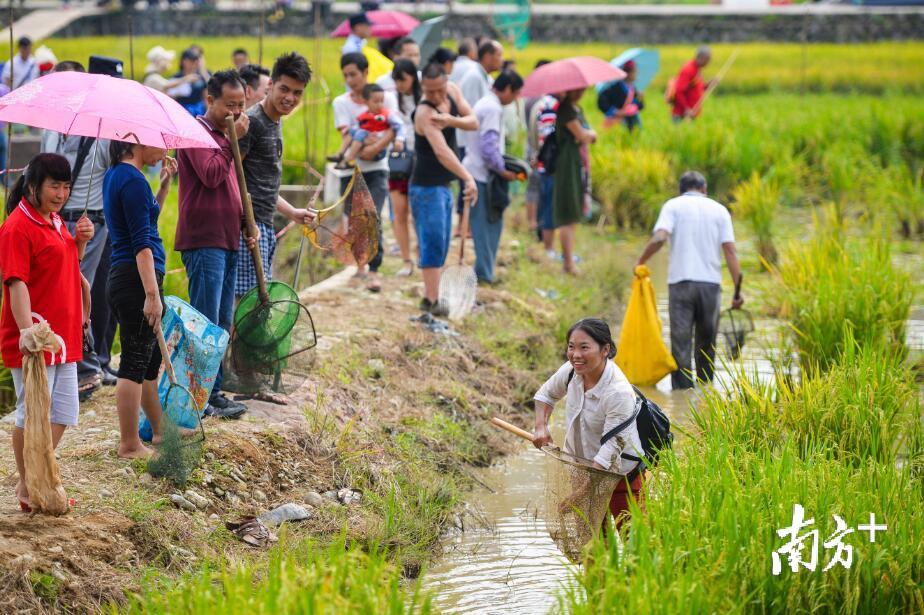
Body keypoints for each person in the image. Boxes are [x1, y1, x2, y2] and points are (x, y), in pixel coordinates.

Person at [0, 153, 93, 512]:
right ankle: (29, 486)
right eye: (55, 185)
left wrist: (80, 242)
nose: (62, 193)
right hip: (36, 336)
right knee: (32, 412)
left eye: (66, 186)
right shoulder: (16, 227)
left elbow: (65, 266)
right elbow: (16, 282)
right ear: (34, 186)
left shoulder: (54, 221)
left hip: (62, 335)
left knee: (63, 412)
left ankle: (34, 477)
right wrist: (27, 333)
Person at [176, 70, 255, 419]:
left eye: (241, 106)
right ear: (210, 101)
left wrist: (245, 224)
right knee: (204, 321)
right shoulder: (196, 133)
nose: (236, 113)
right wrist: (230, 140)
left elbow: (233, 186)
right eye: (229, 105)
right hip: (204, 239)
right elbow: (210, 175)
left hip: (228, 237)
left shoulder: (224, 135)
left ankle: (214, 391)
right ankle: (196, 397)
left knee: (222, 321)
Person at [40, 61, 113, 400]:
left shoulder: (95, 129)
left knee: (81, 288)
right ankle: (73, 362)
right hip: (62, 219)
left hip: (86, 221)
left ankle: (83, 363)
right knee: (66, 289)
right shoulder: (56, 127)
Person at [532, 318, 646, 532]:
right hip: (583, 470)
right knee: (592, 550)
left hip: (622, 478)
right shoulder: (571, 371)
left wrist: (578, 496)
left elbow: (609, 452)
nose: (576, 355)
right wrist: (541, 427)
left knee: (635, 548)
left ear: (605, 349)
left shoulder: (618, 392)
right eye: (571, 347)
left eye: (584, 347)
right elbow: (545, 395)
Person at [103, 139, 177, 459]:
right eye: (160, 143)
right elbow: (141, 244)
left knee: (149, 360)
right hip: (135, 278)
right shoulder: (132, 180)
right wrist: (152, 294)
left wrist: (161, 189)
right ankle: (129, 444)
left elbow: (144, 222)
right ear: (137, 141)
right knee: (134, 360)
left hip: (126, 276)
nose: (165, 151)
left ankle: (160, 431)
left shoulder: (118, 176)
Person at [635, 171, 742, 389]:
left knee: (681, 343)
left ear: (680, 190)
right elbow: (730, 251)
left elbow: (660, 237)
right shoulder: (719, 210)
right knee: (707, 343)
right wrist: (738, 291)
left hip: (680, 284)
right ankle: (705, 393)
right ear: (704, 189)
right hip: (710, 286)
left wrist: (641, 260)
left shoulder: (672, 206)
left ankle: (682, 394)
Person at [236, 53, 315, 301]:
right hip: (248, 231)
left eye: (297, 93)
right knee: (245, 308)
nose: (290, 98)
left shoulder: (275, 121)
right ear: (270, 85)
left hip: (264, 227)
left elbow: (262, 185)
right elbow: (231, 177)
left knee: (255, 306)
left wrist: (292, 212)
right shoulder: (252, 123)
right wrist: (245, 225)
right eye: (284, 89)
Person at [409, 63, 477, 314]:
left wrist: (450, 120)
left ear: (446, 83)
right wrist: (467, 177)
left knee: (443, 242)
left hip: (443, 185)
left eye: (439, 90)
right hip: (425, 187)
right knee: (432, 242)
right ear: (423, 88)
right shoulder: (424, 112)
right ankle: (431, 299)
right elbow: (442, 152)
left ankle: (435, 299)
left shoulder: (453, 92)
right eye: (430, 91)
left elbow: (473, 122)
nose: (436, 96)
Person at [332, 53, 396, 293]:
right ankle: (360, 264)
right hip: (353, 170)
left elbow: (393, 127)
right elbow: (348, 134)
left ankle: (374, 270)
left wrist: (376, 148)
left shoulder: (384, 97)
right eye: (346, 75)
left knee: (374, 215)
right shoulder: (341, 102)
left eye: (354, 74)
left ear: (365, 72)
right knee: (355, 219)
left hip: (377, 167)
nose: (350, 79)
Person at [463, 70, 524, 284]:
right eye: (515, 94)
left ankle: (484, 270)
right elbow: (489, 148)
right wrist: (503, 170)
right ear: (507, 89)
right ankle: (484, 274)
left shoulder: (485, 103)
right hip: (481, 174)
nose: (515, 99)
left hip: (477, 170)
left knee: (487, 224)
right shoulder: (492, 108)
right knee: (487, 225)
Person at [553, 88, 596, 276]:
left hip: (577, 162)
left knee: (574, 210)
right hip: (568, 164)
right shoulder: (566, 110)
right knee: (568, 212)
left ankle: (569, 260)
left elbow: (585, 136)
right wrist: (589, 134)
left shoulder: (575, 109)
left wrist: (588, 135)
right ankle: (568, 264)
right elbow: (583, 135)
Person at [388, 59, 421, 278]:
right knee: (399, 212)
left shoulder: (426, 98)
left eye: (404, 80)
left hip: (420, 161)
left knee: (418, 212)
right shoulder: (391, 100)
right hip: (399, 160)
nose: (400, 85)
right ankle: (407, 260)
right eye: (397, 81)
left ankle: (421, 254)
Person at [332, 84, 404, 169]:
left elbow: (399, 125)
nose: (380, 104)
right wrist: (349, 129)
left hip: (379, 149)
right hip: (366, 144)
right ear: (366, 102)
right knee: (353, 131)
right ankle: (340, 153)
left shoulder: (387, 114)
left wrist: (399, 139)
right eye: (376, 101)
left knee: (360, 133)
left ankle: (349, 158)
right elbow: (359, 125)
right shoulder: (365, 115)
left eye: (382, 101)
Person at [524, 59, 552, 243]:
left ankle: (531, 222)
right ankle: (540, 223)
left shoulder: (529, 96)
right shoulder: (545, 101)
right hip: (540, 149)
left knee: (532, 187)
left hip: (530, 145)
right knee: (541, 187)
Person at [457, 40, 503, 108]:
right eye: (499, 55)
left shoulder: (487, 77)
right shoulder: (475, 76)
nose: (502, 60)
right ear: (487, 57)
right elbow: (471, 108)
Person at [600, 60, 644, 131]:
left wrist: (640, 99)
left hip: (632, 121)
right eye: (634, 71)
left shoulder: (633, 89)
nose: (637, 74)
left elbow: (640, 107)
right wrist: (615, 111)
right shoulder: (613, 88)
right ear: (628, 73)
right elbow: (602, 102)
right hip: (618, 123)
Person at [671, 46, 711, 121]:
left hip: (692, 113)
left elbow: (696, 89)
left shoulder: (698, 69)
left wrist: (708, 85)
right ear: (702, 57)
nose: (708, 62)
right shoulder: (688, 69)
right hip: (681, 115)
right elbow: (679, 91)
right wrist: (686, 109)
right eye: (708, 59)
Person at [169, 48, 208, 116]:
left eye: (195, 61)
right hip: (181, 109)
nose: (193, 64)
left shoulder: (200, 77)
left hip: (199, 110)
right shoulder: (177, 77)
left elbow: (205, 96)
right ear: (183, 61)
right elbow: (170, 97)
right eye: (191, 61)